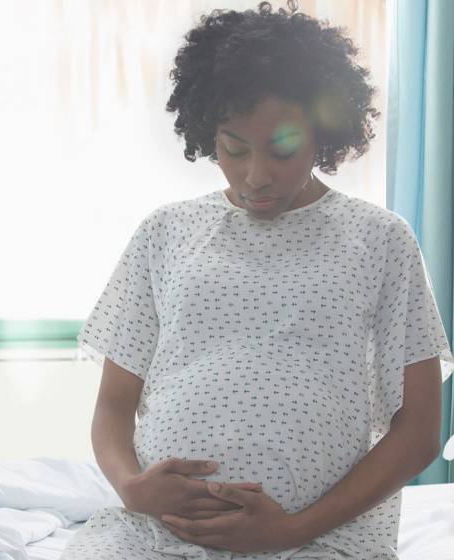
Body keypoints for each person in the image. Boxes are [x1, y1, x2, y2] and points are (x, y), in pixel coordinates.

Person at [61, 1, 453, 559]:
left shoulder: (381, 240)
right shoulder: (166, 233)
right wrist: (131, 486)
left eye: (282, 149)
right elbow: (114, 407)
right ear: (207, 136)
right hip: (154, 533)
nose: (255, 176)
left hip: (323, 540)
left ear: (324, 133)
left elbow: (417, 434)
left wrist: (292, 530)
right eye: (234, 148)